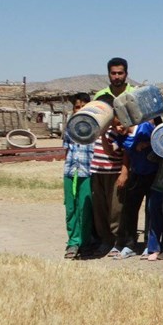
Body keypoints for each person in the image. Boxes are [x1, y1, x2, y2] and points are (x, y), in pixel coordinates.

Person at [111, 115, 157, 260]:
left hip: (154, 175)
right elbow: (112, 150)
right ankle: (130, 244)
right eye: (114, 126)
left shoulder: (145, 127)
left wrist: (147, 144)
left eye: (120, 124)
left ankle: (150, 244)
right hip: (136, 175)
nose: (118, 128)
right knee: (130, 209)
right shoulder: (122, 138)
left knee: (151, 209)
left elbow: (160, 139)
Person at [89, 94, 125, 257]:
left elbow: (110, 151)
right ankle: (105, 240)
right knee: (100, 209)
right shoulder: (93, 128)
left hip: (113, 173)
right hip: (97, 172)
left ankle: (117, 241)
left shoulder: (119, 130)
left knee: (115, 210)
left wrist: (103, 133)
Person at [62, 92, 95, 259]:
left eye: (84, 106)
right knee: (70, 208)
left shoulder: (96, 127)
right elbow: (67, 149)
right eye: (77, 107)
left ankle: (85, 242)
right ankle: (73, 242)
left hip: (87, 172)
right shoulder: (69, 127)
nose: (80, 109)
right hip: (70, 171)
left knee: (85, 208)